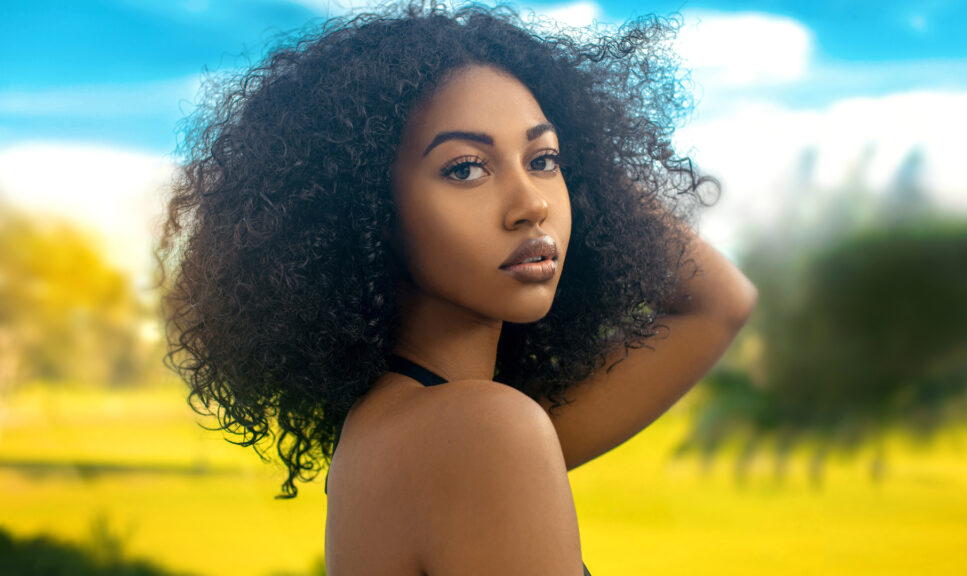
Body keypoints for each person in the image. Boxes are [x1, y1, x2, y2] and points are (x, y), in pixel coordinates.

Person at [159, 2, 757, 574]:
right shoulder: (482, 432)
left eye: (544, 161)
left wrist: (587, 152)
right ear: (371, 211)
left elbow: (719, 305)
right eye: (466, 168)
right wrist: (564, 141)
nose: (532, 204)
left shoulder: (397, 429)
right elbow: (716, 302)